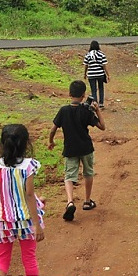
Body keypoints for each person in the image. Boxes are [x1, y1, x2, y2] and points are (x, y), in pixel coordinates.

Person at [0, 124, 47, 276]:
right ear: (26, 144)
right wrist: (37, 224)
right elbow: (27, 195)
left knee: (2, 260)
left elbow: (3, 193)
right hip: (25, 220)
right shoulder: (28, 166)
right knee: (29, 257)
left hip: (2, 219)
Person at [48, 80, 106, 221]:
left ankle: (69, 202)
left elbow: (53, 128)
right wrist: (97, 110)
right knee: (88, 173)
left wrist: (51, 141)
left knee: (69, 176)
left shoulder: (63, 110)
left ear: (69, 94)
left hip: (70, 148)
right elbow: (102, 126)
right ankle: (87, 201)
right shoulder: (86, 111)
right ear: (83, 95)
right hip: (85, 147)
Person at [83, 40, 110, 109]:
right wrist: (107, 75)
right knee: (101, 88)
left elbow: (86, 65)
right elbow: (104, 65)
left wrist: (85, 74)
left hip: (91, 74)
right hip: (100, 74)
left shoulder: (88, 54)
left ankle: (95, 103)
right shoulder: (101, 54)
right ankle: (101, 103)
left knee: (93, 89)